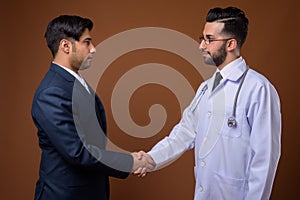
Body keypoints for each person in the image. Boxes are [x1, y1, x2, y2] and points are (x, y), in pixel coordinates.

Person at [135, 6, 281, 200]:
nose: (201, 46)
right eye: (202, 38)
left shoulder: (259, 89)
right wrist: (151, 159)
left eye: (209, 40)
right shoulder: (206, 88)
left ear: (230, 44)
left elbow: (264, 160)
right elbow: (184, 133)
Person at [31, 15, 155, 200]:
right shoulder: (51, 92)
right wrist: (131, 162)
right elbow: (77, 152)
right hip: (64, 194)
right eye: (87, 42)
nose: (93, 49)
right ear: (66, 46)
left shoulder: (72, 82)